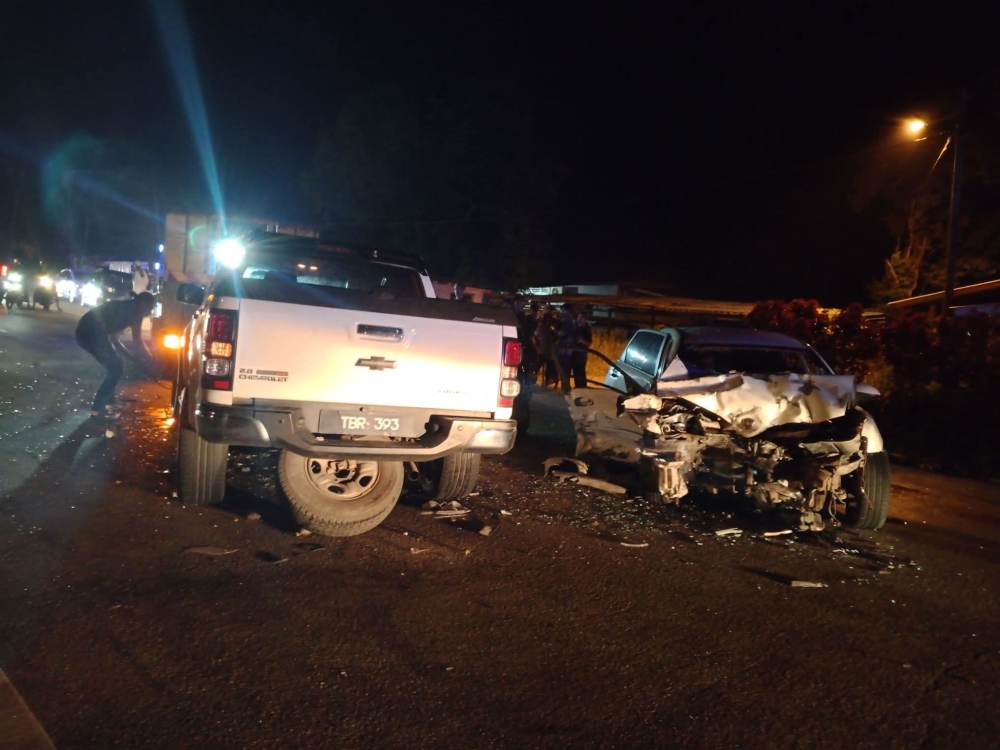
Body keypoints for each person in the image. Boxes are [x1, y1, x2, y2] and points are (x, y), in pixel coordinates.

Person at [75, 292, 156, 420]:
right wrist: (149, 357)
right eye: (150, 307)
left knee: (115, 365)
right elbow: (138, 341)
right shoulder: (135, 313)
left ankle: (110, 401)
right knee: (116, 368)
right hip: (92, 334)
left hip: (83, 332)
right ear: (142, 303)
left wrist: (130, 357)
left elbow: (114, 339)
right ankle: (98, 410)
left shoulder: (126, 306)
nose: (150, 311)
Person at [556, 304, 578, 395]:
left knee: (564, 369)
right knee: (565, 369)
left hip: (565, 349)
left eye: (564, 310)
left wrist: (557, 333)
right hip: (568, 349)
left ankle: (565, 388)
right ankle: (565, 387)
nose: (563, 312)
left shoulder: (568, 322)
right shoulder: (573, 322)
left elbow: (563, 333)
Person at [571, 310, 593, 389]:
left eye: (582, 318)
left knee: (580, 370)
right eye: (579, 317)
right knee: (575, 370)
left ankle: (582, 387)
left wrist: (582, 341)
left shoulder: (587, 329)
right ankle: (578, 386)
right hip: (574, 352)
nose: (579, 319)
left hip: (581, 353)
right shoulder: (575, 327)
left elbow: (589, 343)